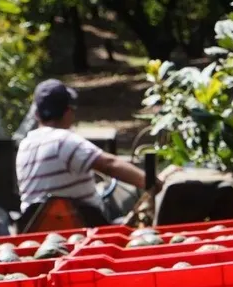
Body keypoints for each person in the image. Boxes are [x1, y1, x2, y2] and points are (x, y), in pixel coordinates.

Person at [15, 79, 149, 215]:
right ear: (67, 112)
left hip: (34, 226)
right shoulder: (63, 140)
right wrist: (150, 182)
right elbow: (109, 165)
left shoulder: (25, 146)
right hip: (80, 225)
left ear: (37, 114)